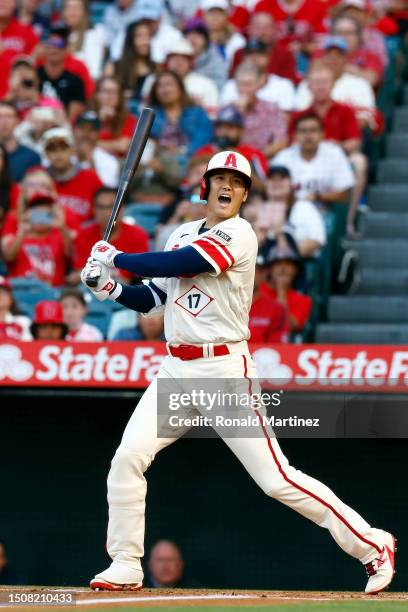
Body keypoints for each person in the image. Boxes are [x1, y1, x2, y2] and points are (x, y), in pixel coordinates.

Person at [80, 149, 395, 595]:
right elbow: (154, 300)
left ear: (246, 194)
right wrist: (109, 287)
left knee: (276, 480)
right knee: (127, 459)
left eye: (238, 181)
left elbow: (187, 264)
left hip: (224, 370)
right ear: (205, 186)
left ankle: (373, 544)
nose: (228, 186)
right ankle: (126, 561)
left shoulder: (240, 233)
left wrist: (120, 258)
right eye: (220, 178)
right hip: (175, 369)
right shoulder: (182, 232)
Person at [291, 64, 367, 238]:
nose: (320, 86)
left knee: (359, 161)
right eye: (316, 82)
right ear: (309, 85)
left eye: (325, 82)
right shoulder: (300, 115)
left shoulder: (345, 110)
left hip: (338, 157)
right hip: (306, 155)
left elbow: (355, 142)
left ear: (333, 84)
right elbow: (292, 142)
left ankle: (348, 221)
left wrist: (334, 146)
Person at [69, 187, 149, 285]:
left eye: (112, 207)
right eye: (101, 207)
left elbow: (140, 277)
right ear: (94, 210)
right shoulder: (83, 235)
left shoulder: (137, 235)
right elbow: (77, 274)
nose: (106, 213)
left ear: (122, 208)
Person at [273, 113, 355, 208]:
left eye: (313, 130)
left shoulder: (334, 153)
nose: (308, 136)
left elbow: (345, 193)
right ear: (295, 135)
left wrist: (318, 197)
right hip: (290, 211)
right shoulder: (283, 157)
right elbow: (271, 189)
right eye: (303, 131)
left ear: (322, 134)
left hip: (325, 213)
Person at [1, 188, 72, 286]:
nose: (41, 218)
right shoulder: (19, 236)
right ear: (28, 214)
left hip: (53, 292)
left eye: (46, 214)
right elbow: (9, 257)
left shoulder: (58, 235)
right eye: (37, 214)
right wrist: (22, 232)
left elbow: (70, 254)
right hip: (22, 289)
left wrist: (62, 227)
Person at [42, 126, 103, 225]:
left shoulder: (90, 177)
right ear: (46, 154)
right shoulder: (40, 179)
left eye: (63, 149)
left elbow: (103, 211)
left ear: (72, 151)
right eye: (52, 150)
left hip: (84, 235)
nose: (58, 155)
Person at [221, 39, 296, 112]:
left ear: (268, 57)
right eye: (250, 54)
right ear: (243, 59)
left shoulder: (284, 85)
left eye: (260, 54)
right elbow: (223, 119)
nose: (254, 58)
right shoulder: (231, 86)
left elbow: (286, 120)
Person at [230, 64, 288, 158]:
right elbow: (226, 143)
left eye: (249, 84)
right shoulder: (228, 110)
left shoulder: (272, 109)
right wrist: (239, 114)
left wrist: (256, 157)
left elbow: (281, 142)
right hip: (234, 160)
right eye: (241, 84)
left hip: (264, 160)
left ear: (258, 85)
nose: (245, 89)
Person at [229, 11, 297, 83]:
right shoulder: (240, 53)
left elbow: (289, 84)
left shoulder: (285, 55)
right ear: (249, 29)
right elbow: (232, 82)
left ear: (274, 30)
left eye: (267, 27)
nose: (262, 32)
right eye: (258, 27)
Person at [37, 22, 87, 122]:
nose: (54, 49)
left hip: (63, 129)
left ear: (67, 49)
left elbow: (73, 117)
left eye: (59, 44)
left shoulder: (75, 81)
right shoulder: (34, 75)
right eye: (50, 43)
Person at [260, 243, 312, 334]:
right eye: (278, 263)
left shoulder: (303, 300)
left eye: (288, 264)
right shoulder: (257, 292)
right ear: (269, 269)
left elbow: (289, 327)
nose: (283, 268)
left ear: (295, 270)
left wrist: (281, 292)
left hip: (284, 347)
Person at [164, 38, 219, 117]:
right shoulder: (154, 80)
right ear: (167, 61)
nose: (178, 63)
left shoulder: (206, 84)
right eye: (174, 58)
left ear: (191, 62)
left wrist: (200, 108)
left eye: (183, 58)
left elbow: (213, 115)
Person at [112, 20, 156, 107]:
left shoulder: (155, 68)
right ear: (130, 39)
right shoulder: (114, 67)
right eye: (139, 36)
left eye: (148, 36)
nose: (145, 41)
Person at [0, 0, 39, 99]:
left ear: (15, 4)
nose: (2, 3)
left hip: (16, 103)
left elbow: (34, 73)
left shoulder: (27, 32)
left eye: (7, 0)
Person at [5, 56, 64, 121]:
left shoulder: (51, 102)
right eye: (18, 69)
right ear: (9, 79)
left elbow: (62, 123)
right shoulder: (6, 103)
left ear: (37, 80)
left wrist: (36, 101)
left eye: (27, 69)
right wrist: (12, 92)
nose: (22, 72)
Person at [93, 76, 137, 159]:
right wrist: (99, 120)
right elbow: (80, 144)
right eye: (106, 91)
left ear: (119, 97)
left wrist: (94, 144)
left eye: (114, 92)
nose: (110, 96)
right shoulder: (88, 117)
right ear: (97, 95)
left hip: (119, 164)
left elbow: (123, 146)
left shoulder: (129, 119)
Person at [73, 112, 120, 189]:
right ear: (74, 130)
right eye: (82, 128)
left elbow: (105, 194)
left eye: (91, 130)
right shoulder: (63, 153)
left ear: (99, 134)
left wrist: (91, 164)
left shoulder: (109, 161)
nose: (86, 134)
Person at [62, 0, 105, 80]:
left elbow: (94, 73)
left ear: (85, 12)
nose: (71, 13)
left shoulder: (92, 35)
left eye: (76, 8)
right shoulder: (58, 35)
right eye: (68, 8)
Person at [249, 256, 288, 343]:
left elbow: (277, 347)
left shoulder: (276, 308)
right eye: (247, 269)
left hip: (261, 355)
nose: (251, 274)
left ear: (265, 274)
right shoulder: (223, 305)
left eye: (257, 271)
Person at [0, 101, 41, 183]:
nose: (4, 122)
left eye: (9, 116)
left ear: (17, 120)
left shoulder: (31, 156)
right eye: (0, 116)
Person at [183, 17, 228, 92]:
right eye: (189, 34)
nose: (192, 38)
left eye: (198, 34)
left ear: (206, 39)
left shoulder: (215, 59)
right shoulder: (177, 57)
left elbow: (220, 86)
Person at [201, 0, 246, 68]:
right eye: (211, 13)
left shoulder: (236, 40)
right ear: (204, 16)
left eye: (219, 13)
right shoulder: (198, 37)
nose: (215, 18)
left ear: (226, 16)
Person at [0, 275, 32, 341]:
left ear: (11, 298)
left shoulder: (23, 322)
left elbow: (30, 348)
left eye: (3, 292)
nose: (0, 295)